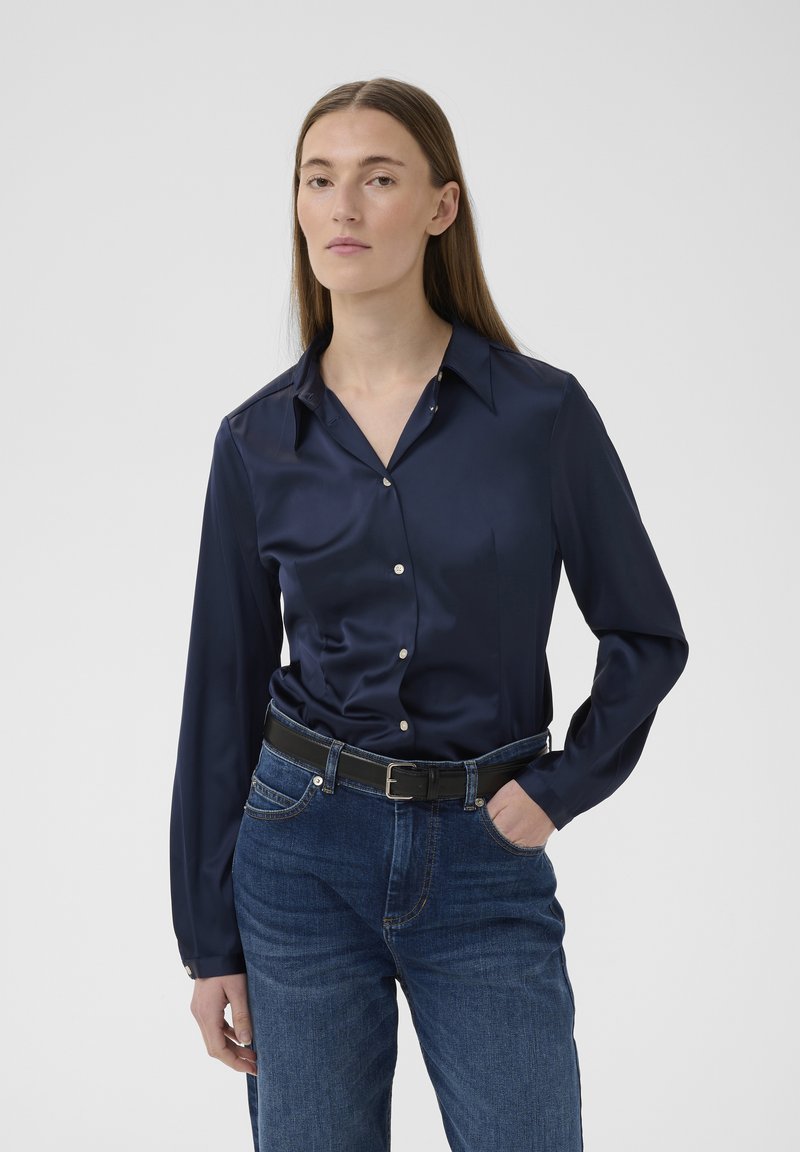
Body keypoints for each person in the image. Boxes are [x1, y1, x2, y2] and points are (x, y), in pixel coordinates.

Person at [170, 77, 689, 1152]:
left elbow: (644, 634)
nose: (342, 207)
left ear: (441, 206)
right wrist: (207, 941)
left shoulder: (539, 415)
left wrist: (558, 789)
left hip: (483, 856)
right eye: (318, 179)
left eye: (378, 178)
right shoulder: (256, 441)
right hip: (300, 854)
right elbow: (221, 693)